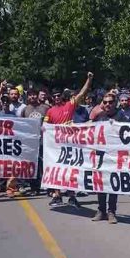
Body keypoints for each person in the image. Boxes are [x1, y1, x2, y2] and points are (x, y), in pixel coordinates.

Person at [44, 72, 94, 208]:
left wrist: (89, 79)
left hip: (70, 145)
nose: (56, 98)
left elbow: (82, 94)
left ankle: (72, 196)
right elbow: (45, 127)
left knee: (71, 171)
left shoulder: (70, 105)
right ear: (52, 98)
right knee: (56, 170)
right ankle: (57, 196)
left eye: (58, 96)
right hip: (56, 146)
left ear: (62, 96)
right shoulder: (50, 111)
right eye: (54, 96)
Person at [88, 92, 129, 224]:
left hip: (116, 155)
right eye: (105, 102)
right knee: (101, 183)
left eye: (110, 102)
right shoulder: (100, 117)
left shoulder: (122, 116)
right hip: (100, 154)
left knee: (113, 183)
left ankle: (111, 211)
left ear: (115, 103)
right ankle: (101, 210)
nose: (107, 105)